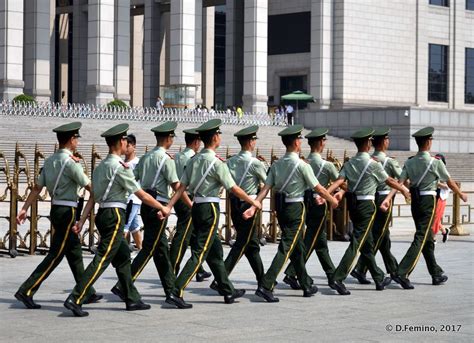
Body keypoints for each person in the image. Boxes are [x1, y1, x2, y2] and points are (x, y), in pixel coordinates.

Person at [64, 123, 168, 317]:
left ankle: (131, 298)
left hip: (103, 215)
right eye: (124, 140)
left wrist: (82, 221)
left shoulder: (101, 166)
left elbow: (92, 198)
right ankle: (76, 296)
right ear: (120, 142)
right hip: (114, 215)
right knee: (103, 258)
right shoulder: (119, 167)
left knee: (122, 258)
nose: (125, 142)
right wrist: (162, 206)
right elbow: (142, 195)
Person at [159, 119, 262, 309]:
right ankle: (176, 290)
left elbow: (181, 188)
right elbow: (234, 188)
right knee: (199, 252)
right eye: (219, 134)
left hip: (196, 207)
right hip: (210, 209)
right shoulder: (216, 162)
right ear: (215, 137)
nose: (220, 137)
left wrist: (168, 207)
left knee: (214, 252)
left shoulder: (194, 160)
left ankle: (227, 289)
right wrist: (253, 201)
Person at [243, 124, 339, 302]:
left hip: (281, 209)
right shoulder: (302, 165)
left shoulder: (277, 164)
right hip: (296, 209)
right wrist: (333, 200)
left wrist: (253, 206)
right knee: (287, 246)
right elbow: (318, 187)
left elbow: (265, 190)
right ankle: (266, 285)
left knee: (297, 247)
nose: (301, 141)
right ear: (296, 142)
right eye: (300, 139)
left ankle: (306, 283)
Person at [15, 122, 102, 309]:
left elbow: (37, 188)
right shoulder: (71, 163)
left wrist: (24, 208)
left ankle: (87, 291)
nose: (77, 142)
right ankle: (27, 289)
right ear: (71, 140)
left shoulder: (49, 161)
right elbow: (89, 186)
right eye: (76, 139)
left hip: (56, 209)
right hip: (69, 211)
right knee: (56, 254)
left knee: (74, 252)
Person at [381, 127, 468, 290]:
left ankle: (436, 273)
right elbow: (449, 181)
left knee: (427, 237)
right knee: (421, 236)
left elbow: (399, 183)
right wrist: (461, 193)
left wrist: (387, 198)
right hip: (428, 201)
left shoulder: (410, 162)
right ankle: (401, 272)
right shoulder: (435, 162)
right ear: (428, 142)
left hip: (415, 202)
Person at [326, 128, 410, 295]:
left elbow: (339, 181)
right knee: (358, 241)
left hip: (353, 204)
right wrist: (404, 190)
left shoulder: (349, 163)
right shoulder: (373, 164)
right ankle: (338, 277)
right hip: (366, 206)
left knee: (367, 242)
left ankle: (378, 277)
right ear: (368, 143)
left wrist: (327, 194)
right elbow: (390, 180)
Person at [111, 121, 187, 300]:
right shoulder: (166, 160)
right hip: (159, 206)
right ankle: (123, 284)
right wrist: (187, 204)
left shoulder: (145, 157)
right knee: (149, 248)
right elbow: (177, 186)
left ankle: (171, 291)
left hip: (146, 206)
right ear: (168, 138)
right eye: (172, 137)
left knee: (160, 250)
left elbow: (132, 178)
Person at [209, 125, 267, 293]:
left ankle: (262, 279)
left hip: (234, 204)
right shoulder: (256, 163)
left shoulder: (230, 161)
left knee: (252, 244)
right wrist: (256, 203)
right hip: (249, 204)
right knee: (242, 243)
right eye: (254, 139)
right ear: (250, 142)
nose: (255, 142)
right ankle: (221, 278)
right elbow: (267, 183)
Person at [283, 128, 338, 290]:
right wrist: (336, 194)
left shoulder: (304, 161)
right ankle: (292, 272)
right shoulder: (327, 165)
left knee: (319, 242)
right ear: (321, 143)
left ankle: (331, 274)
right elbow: (343, 182)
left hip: (305, 203)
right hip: (320, 205)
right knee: (312, 239)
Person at [351, 127, 401, 284]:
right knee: (378, 236)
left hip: (371, 198)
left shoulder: (369, 159)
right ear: (385, 142)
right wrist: (402, 192)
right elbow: (400, 180)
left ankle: (391, 270)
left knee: (382, 236)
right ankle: (363, 269)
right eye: (387, 139)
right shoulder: (388, 162)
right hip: (383, 200)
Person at [169, 128, 212, 282]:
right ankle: (172, 269)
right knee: (183, 236)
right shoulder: (195, 158)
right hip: (189, 197)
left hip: (178, 197)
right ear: (196, 142)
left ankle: (199, 269)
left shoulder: (177, 156)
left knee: (193, 233)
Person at [123, 134, 143, 251]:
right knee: (134, 226)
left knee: (124, 227)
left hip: (132, 199)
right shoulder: (121, 162)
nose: (126, 148)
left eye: (128, 145)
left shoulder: (137, 163)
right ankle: (141, 249)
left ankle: (120, 252)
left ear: (134, 146)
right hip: (126, 199)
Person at [431, 154, 450, 243]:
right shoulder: (433, 171)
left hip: (440, 198)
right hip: (432, 197)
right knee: (432, 218)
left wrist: (436, 183)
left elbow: (447, 186)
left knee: (435, 218)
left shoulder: (444, 173)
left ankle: (433, 238)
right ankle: (444, 231)